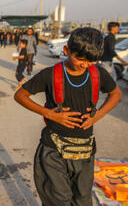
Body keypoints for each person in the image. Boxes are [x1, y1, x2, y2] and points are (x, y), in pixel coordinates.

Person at [14, 28, 122, 205]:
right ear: (66, 51)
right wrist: (50, 114)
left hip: (85, 153)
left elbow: (116, 94)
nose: (84, 65)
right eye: (80, 58)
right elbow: (20, 95)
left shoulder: (98, 74)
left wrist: (97, 116)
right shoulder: (50, 74)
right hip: (53, 151)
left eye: (91, 61)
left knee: (82, 200)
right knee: (58, 200)